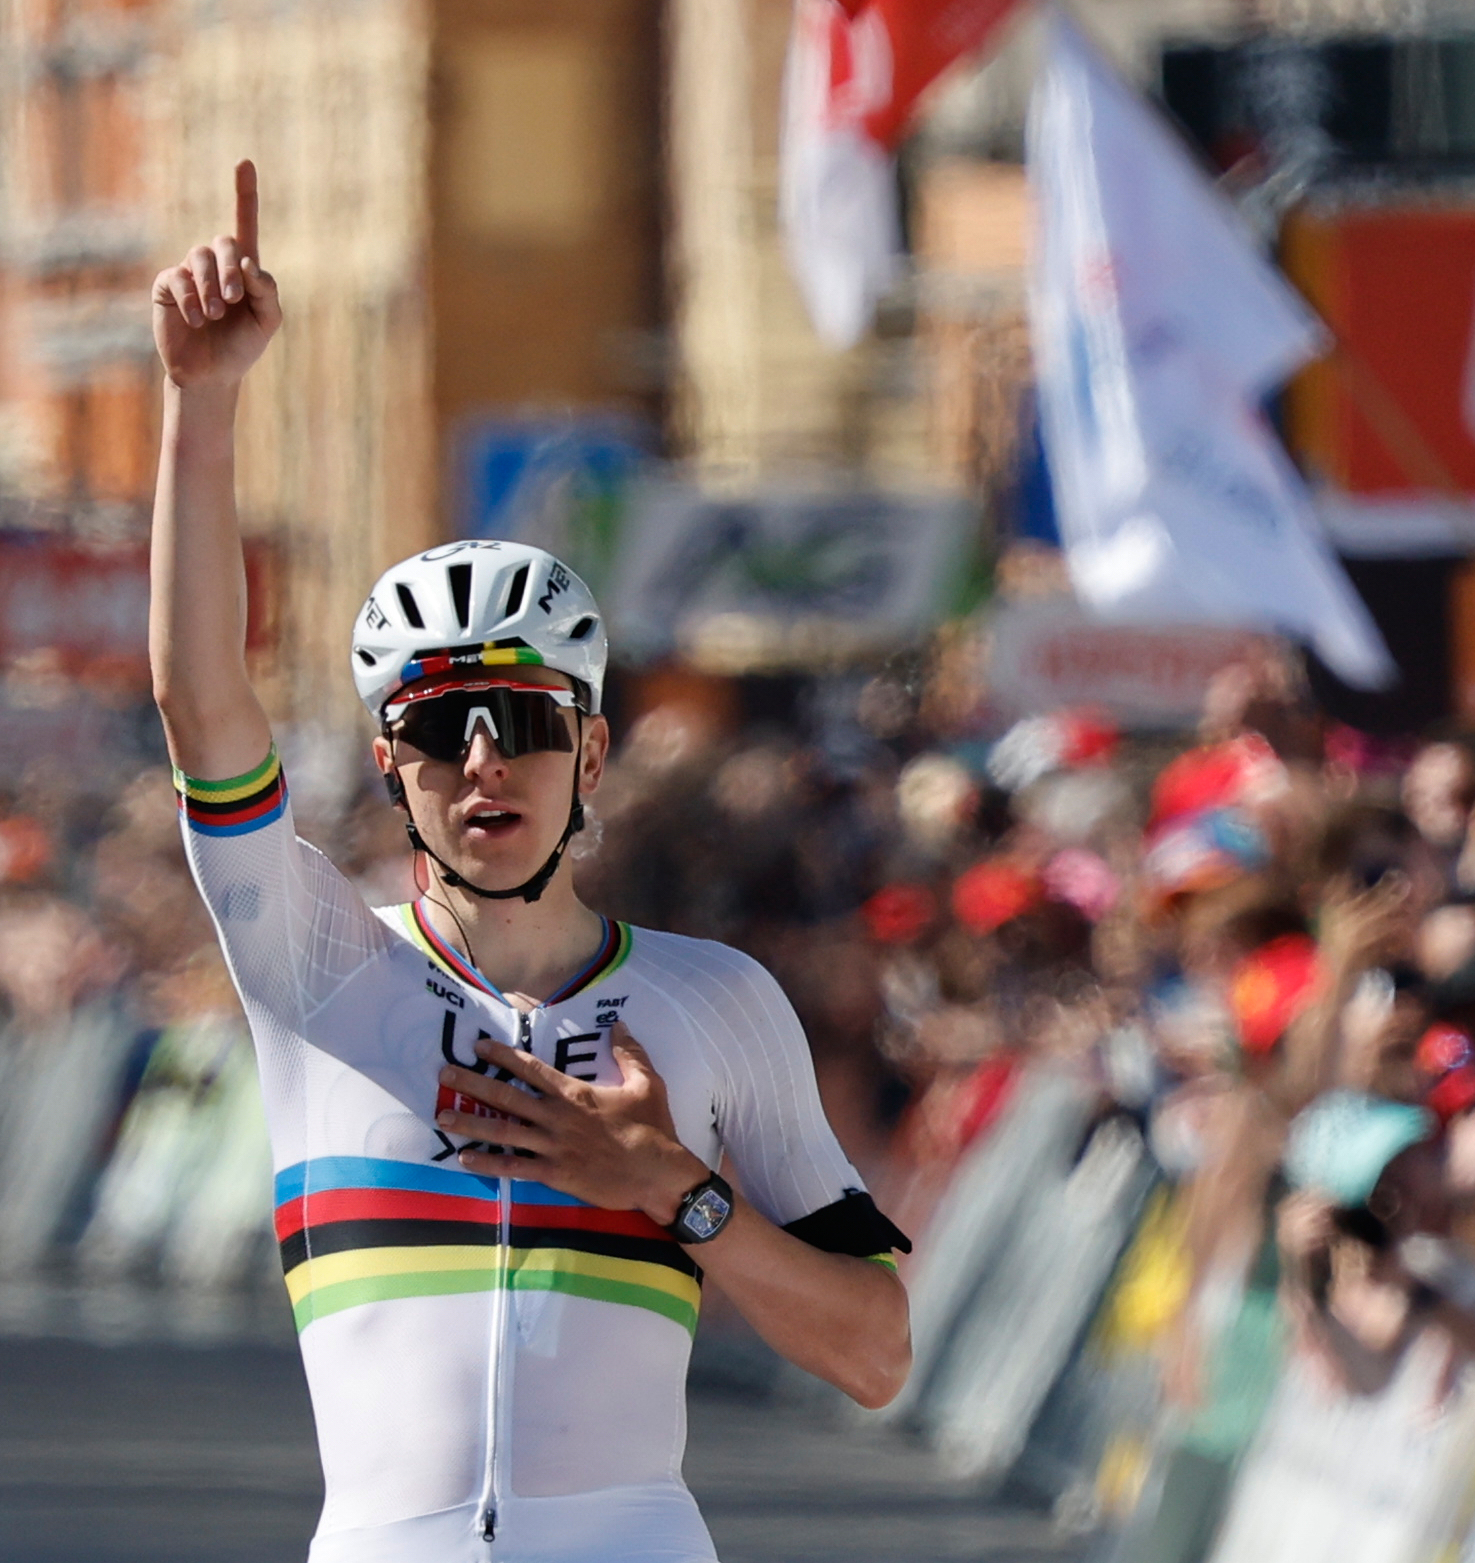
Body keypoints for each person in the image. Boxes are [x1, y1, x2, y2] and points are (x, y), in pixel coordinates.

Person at [147, 162, 912, 1563]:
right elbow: (203, 712)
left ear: (596, 756)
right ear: (389, 762)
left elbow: (875, 1352)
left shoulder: (716, 1004)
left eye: (524, 727)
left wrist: (676, 1192)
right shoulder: (319, 966)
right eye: (439, 728)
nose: (483, 761)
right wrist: (203, 405)